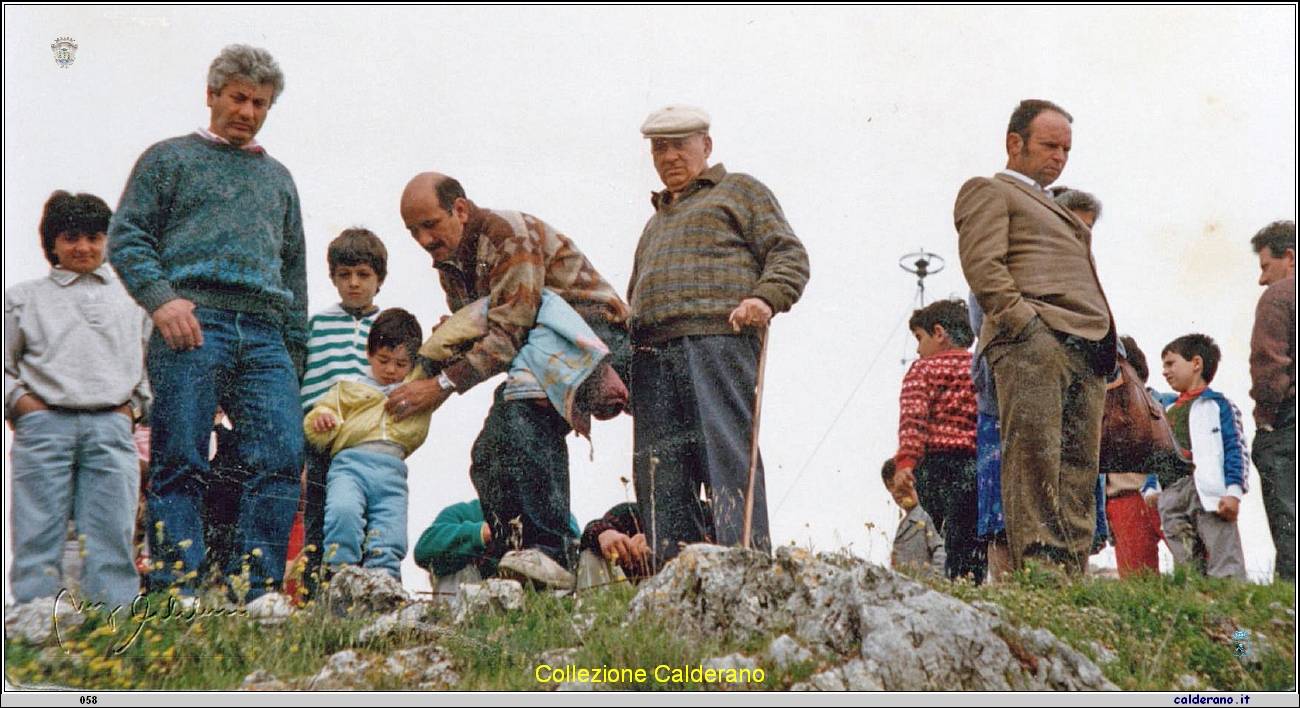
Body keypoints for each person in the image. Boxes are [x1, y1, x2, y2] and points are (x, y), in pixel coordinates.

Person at [108, 44, 307, 600]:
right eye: (239, 97)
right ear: (212, 94)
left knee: (282, 459)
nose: (247, 111)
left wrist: (295, 357)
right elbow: (127, 236)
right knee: (181, 458)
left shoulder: (279, 179)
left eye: (260, 103)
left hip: (265, 333)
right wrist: (161, 299)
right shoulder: (168, 159)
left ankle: (259, 590)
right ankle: (178, 591)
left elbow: (294, 273)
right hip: (191, 322)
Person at [392, 172, 630, 590]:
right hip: (537, 351)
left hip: (594, 334)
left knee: (524, 414)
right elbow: (485, 338)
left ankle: (551, 550)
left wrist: (438, 386)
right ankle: (516, 559)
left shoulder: (507, 236)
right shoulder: (450, 266)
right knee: (487, 453)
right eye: (414, 231)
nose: (425, 239)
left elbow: (508, 333)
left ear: (460, 209)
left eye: (431, 224)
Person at [628, 105, 810, 567]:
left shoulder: (740, 190)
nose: (669, 156)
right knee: (660, 474)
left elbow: (787, 253)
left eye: (680, 145)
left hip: (717, 340)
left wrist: (765, 299)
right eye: (659, 147)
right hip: (653, 355)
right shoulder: (655, 222)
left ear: (706, 146)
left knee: (726, 457)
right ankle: (675, 571)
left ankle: (745, 562)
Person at [955, 99, 1116, 574]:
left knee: (1077, 468)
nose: (1059, 156)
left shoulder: (1056, 205)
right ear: (1014, 143)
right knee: (1036, 462)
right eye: (1049, 145)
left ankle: (1069, 574)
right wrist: (1023, 325)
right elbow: (983, 267)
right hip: (1036, 341)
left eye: (1066, 148)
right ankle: (1042, 572)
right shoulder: (989, 190)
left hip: (1083, 347)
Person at [6, 190, 151, 609]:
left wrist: (131, 409)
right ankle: (34, 626)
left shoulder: (132, 299)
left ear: (109, 239)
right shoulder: (23, 298)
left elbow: (146, 366)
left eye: (94, 236)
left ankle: (114, 627)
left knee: (112, 530)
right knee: (38, 530)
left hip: (110, 424)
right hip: (44, 425)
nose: (83, 247)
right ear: (52, 243)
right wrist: (20, 404)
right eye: (71, 237)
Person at [305, 309, 428, 581]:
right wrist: (322, 421)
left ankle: (384, 581)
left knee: (390, 530)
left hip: (392, 473)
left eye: (401, 363)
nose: (391, 370)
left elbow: (440, 356)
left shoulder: (415, 391)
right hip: (349, 466)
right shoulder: (350, 387)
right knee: (342, 511)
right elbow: (321, 413)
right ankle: (340, 573)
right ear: (369, 353)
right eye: (383, 360)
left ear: (412, 364)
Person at [298, 228, 389, 594]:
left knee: (368, 519)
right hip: (322, 438)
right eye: (344, 275)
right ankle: (314, 594)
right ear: (333, 277)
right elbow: (304, 379)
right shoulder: (317, 324)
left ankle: (369, 593)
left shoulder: (387, 329)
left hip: (367, 443)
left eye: (363, 275)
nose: (354, 284)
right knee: (318, 517)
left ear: (379, 279)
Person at [893, 298, 982, 582]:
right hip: (972, 466)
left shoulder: (922, 370)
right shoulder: (979, 369)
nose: (918, 349)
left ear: (939, 333)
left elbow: (913, 420)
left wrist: (906, 461)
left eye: (920, 338)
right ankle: (968, 586)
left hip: (933, 466)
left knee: (929, 535)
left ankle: (929, 587)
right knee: (967, 538)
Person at [1152, 334, 1249, 581]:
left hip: (1207, 488)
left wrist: (1233, 492)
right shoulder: (1167, 412)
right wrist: (1151, 487)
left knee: (1222, 554)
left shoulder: (1218, 405)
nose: (1165, 372)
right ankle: (1195, 604)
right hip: (1173, 491)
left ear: (1196, 363)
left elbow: (1235, 448)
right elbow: (1157, 453)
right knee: (1185, 561)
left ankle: (1232, 607)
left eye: (1170, 363)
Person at [1248, 220, 1296, 582]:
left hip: (1287, 424)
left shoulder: (1280, 295)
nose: (1263, 278)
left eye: (1266, 265)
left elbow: (1269, 368)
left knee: (1290, 524)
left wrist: (1265, 420)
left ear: (1289, 257)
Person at [413, 499, 579, 597]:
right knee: (450, 564)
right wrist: (481, 533)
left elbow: (571, 549)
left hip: (532, 611)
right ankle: (455, 631)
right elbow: (424, 551)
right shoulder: (464, 513)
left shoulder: (552, 511)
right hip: (471, 607)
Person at [1103, 336, 1166, 577]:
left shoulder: (1162, 403)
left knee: (1196, 566)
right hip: (1121, 502)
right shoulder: (1099, 417)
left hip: (1163, 494)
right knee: (1137, 579)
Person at [881, 460, 946, 577]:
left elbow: (941, 550)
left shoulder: (927, 515)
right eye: (890, 485)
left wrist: (935, 582)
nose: (897, 491)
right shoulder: (903, 523)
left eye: (904, 485)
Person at [577, 502, 650, 589]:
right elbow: (592, 530)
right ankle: (595, 600)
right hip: (624, 592)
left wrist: (655, 544)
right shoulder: (631, 512)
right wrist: (605, 533)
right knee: (592, 552)